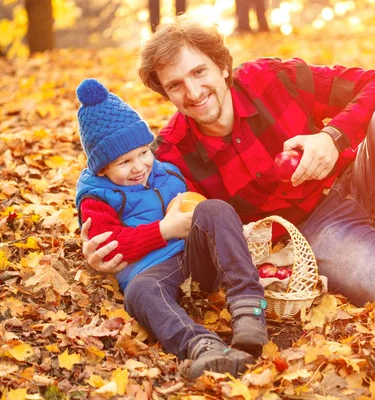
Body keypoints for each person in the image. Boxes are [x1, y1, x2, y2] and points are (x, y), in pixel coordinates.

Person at [81, 16, 375, 316]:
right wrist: (100, 244)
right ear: (165, 93)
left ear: (222, 66)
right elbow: (121, 187)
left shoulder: (273, 79)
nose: (193, 92)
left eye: (199, 72)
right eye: (175, 85)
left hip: (361, 180)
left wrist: (332, 137)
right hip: (316, 228)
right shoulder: (173, 153)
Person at [74, 78, 268, 379]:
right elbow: (109, 245)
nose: (139, 167)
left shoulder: (168, 173)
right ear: (102, 169)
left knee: (214, 209)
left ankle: (248, 310)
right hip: (151, 273)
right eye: (124, 162)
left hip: (193, 260)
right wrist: (164, 229)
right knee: (140, 292)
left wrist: (202, 222)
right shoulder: (97, 198)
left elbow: (199, 213)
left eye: (142, 153)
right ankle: (201, 346)